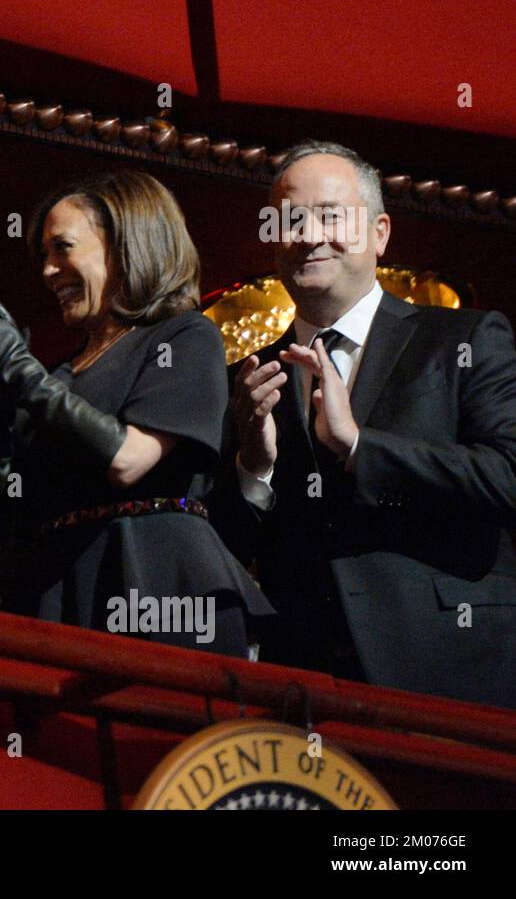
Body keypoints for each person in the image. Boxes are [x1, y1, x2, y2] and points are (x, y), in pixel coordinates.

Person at [210, 140, 516, 706]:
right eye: (290, 219)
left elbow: (506, 478)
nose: (308, 233)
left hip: (453, 671)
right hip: (304, 685)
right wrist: (253, 469)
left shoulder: (462, 340)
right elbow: (219, 545)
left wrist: (359, 448)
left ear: (379, 233)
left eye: (330, 215)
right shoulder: (247, 379)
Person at [0, 171, 273, 656]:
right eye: (43, 256)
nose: (47, 270)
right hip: (55, 600)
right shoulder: (54, 377)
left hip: (157, 590)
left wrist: (18, 368)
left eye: (62, 248)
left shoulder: (183, 338)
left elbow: (129, 458)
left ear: (126, 245)